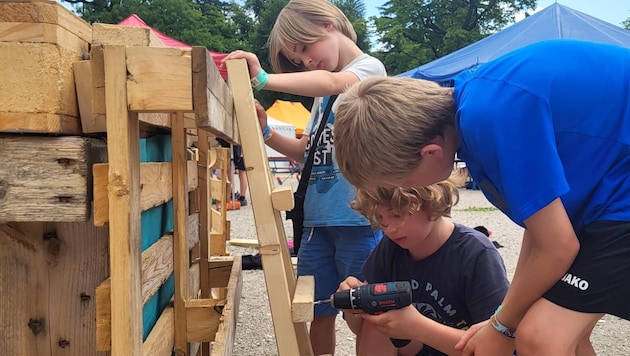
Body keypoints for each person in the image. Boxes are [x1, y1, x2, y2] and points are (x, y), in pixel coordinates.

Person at [333, 39, 630, 356]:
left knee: (540, 337)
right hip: (611, 188)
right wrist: (503, 318)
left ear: (431, 152)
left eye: (401, 182)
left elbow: (558, 246)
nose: (405, 188)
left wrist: (503, 326)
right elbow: (543, 233)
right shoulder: (472, 98)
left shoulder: (489, 119)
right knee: (563, 333)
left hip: (618, 193)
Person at [221, 0, 386, 354]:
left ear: (328, 24)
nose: (307, 62)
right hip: (317, 222)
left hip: (359, 221)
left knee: (364, 313)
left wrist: (262, 79)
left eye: (305, 49)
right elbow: (306, 154)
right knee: (318, 312)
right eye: (299, 61)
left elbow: (332, 80)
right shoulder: (321, 101)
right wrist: (266, 132)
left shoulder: (367, 70)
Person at [339, 181, 509, 356]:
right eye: (380, 218)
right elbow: (361, 329)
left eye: (397, 215)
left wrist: (418, 327)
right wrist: (354, 308)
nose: (390, 228)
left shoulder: (475, 254)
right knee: (377, 327)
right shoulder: (391, 248)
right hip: (416, 347)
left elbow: (498, 347)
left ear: (430, 201)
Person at [216, 138, 248, 207]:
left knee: (240, 172)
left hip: (236, 145)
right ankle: (234, 194)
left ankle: (239, 196)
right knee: (234, 171)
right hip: (236, 144)